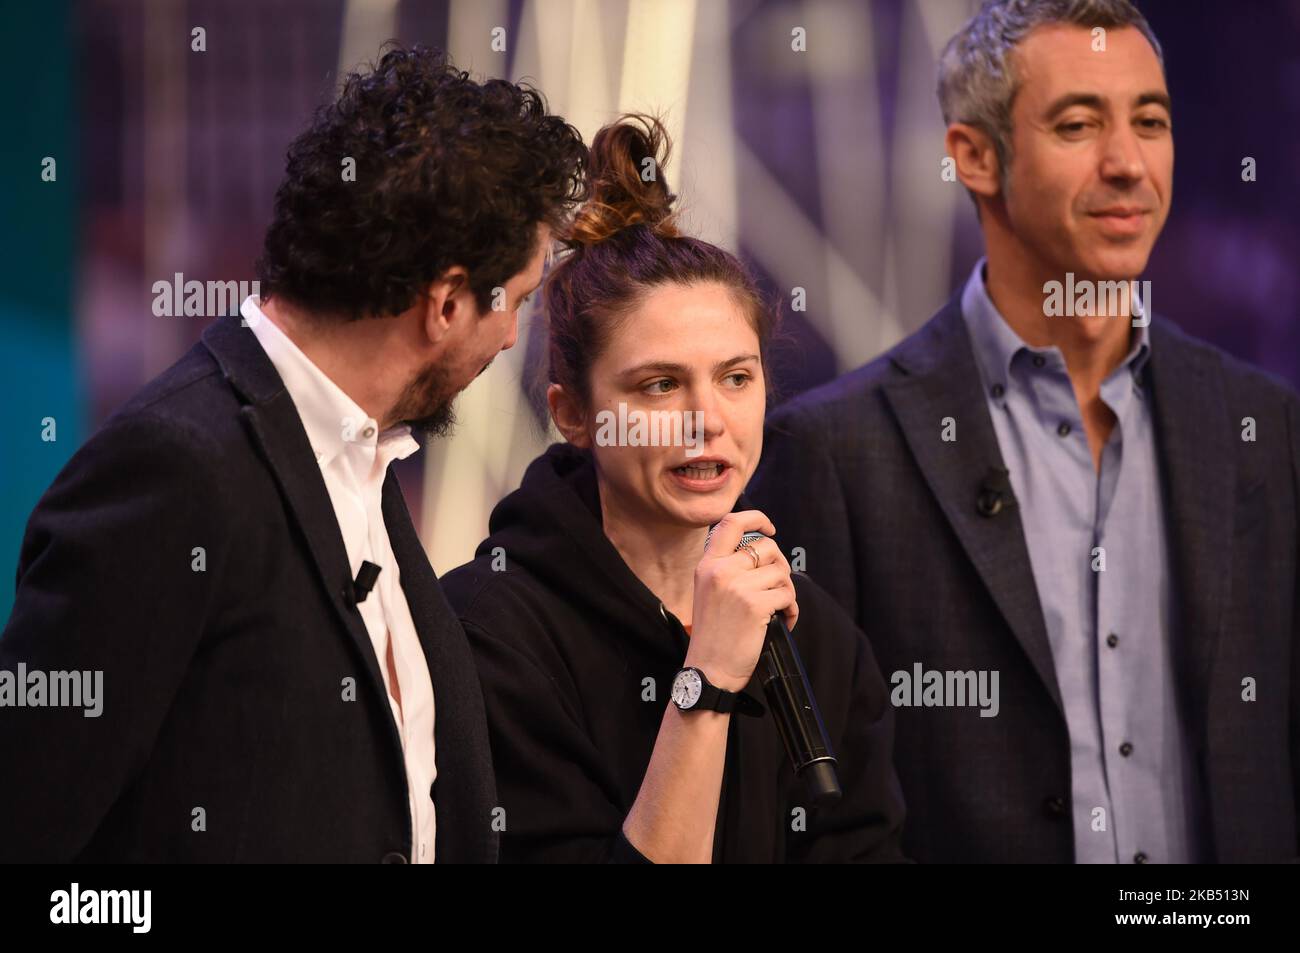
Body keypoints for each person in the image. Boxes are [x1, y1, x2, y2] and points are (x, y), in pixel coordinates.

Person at [0, 45, 587, 863]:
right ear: (447, 302)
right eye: (516, 302)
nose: (511, 338)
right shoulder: (175, 467)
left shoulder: (361, 454)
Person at [749, 0, 1299, 863]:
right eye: (1079, 124)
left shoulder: (1264, 424)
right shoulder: (836, 453)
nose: (1128, 164)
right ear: (973, 154)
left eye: (1149, 122)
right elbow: (811, 810)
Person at [441, 115, 906, 863]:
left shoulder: (810, 629)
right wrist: (709, 680)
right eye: (660, 385)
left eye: (735, 378)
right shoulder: (488, 631)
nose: (707, 420)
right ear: (574, 415)